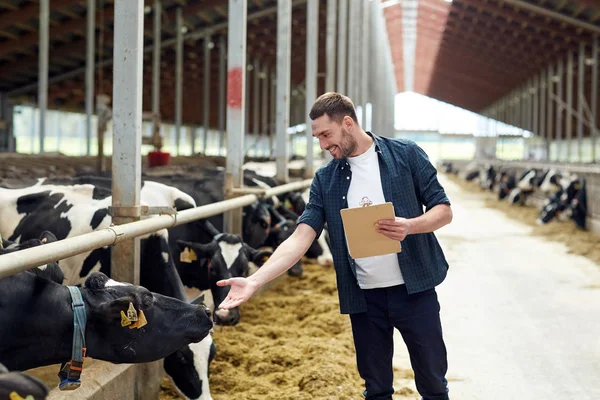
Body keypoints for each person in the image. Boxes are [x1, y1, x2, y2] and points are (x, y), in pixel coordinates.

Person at [217, 92, 453, 400]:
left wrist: (410, 226)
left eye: (326, 135)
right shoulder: (326, 179)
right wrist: (254, 279)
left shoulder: (406, 155)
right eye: (317, 138)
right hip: (365, 299)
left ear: (348, 123)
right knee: (376, 389)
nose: (323, 145)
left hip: (415, 292)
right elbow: (302, 236)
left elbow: (443, 210)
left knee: (433, 385)